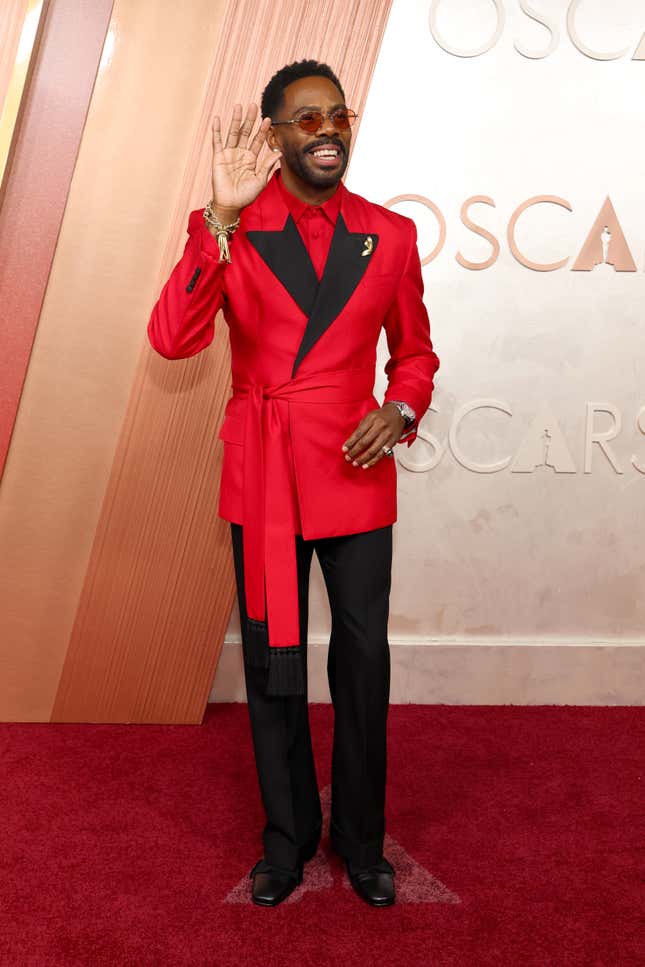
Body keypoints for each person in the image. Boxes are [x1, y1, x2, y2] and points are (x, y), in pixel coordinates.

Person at [147, 59, 439, 908]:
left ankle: (359, 840)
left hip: (353, 468)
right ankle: (286, 839)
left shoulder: (389, 234)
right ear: (273, 135)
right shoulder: (232, 227)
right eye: (304, 119)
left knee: (361, 662)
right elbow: (172, 341)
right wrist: (217, 219)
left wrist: (401, 405)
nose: (325, 130)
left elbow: (414, 351)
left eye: (336, 115)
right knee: (275, 666)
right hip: (266, 474)